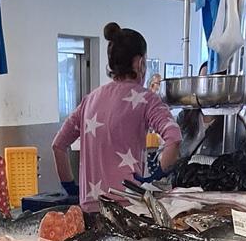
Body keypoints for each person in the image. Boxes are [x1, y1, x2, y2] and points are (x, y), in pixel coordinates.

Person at [52, 23, 181, 211]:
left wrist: (70, 186)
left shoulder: (90, 99)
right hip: (128, 207)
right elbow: (174, 138)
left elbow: (58, 145)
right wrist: (158, 173)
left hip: (90, 207)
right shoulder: (146, 98)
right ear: (140, 63)